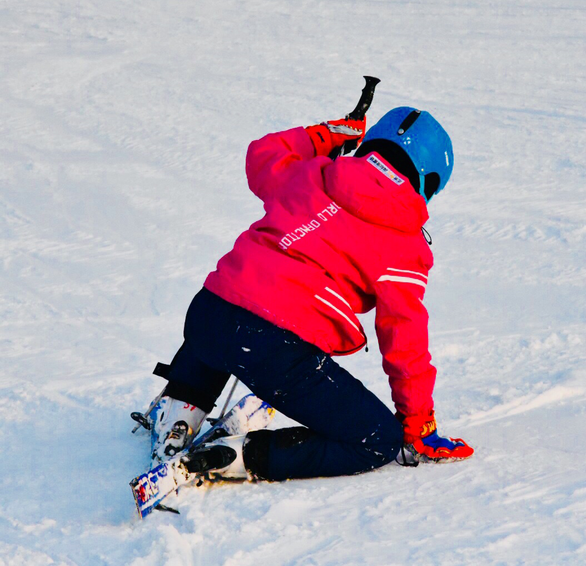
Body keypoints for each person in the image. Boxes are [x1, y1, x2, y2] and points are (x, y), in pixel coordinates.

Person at [147, 106, 473, 481]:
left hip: (208, 312)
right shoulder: (405, 243)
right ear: (428, 181)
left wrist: (327, 134)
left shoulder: (313, 171)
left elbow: (263, 155)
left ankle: (178, 415)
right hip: (274, 348)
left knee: (230, 312)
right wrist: (417, 423)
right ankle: (234, 457)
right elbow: (405, 338)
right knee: (378, 439)